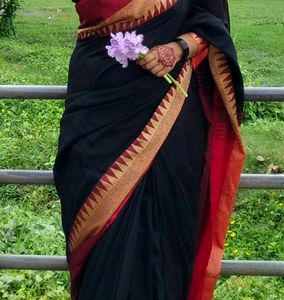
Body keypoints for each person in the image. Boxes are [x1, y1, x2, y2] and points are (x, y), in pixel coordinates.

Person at [53, 0, 245, 299]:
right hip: (97, 100)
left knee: (167, 231)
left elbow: (213, 24)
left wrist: (178, 48)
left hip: (171, 111)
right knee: (98, 232)